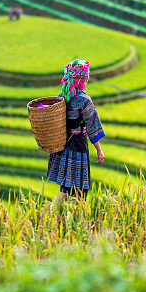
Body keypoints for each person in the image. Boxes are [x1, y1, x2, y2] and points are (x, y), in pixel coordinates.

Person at [47, 59, 105, 206]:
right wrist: (99, 150)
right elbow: (93, 126)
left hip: (64, 147)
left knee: (66, 189)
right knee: (79, 190)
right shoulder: (84, 101)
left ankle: (54, 215)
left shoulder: (62, 97)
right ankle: (73, 220)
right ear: (82, 79)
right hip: (78, 147)